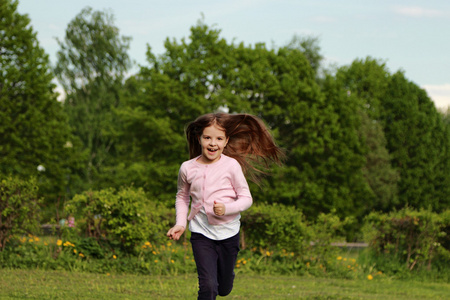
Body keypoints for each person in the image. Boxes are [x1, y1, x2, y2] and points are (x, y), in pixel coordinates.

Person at [167, 112, 283, 300]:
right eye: (207, 138)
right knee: (208, 286)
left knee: (224, 288)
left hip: (229, 233)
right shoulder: (187, 167)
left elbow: (246, 198)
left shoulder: (232, 166)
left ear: (226, 141)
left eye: (219, 138)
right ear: (199, 139)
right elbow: (182, 196)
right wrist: (180, 223)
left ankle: (226, 278)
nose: (213, 143)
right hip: (201, 233)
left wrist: (227, 208)